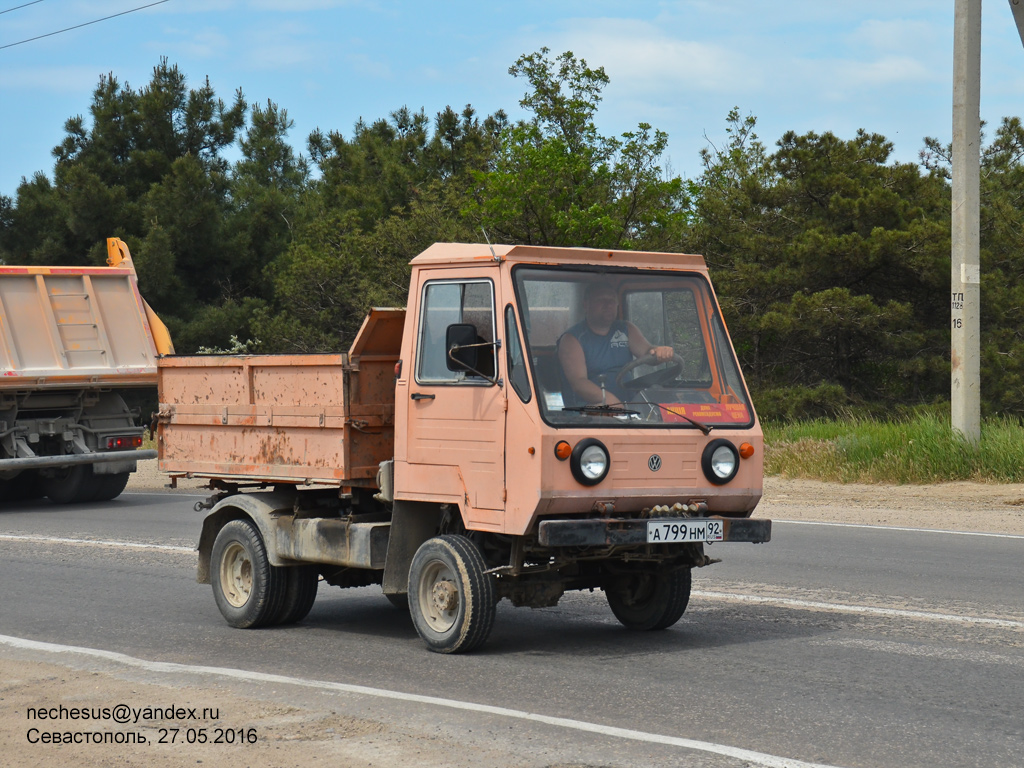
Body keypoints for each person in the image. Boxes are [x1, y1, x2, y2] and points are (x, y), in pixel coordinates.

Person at [557, 281, 673, 406]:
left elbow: (647, 352)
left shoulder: (626, 329)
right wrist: (610, 401)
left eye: (612, 300)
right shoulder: (572, 339)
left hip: (628, 407)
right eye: (601, 300)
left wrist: (659, 351)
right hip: (588, 413)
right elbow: (579, 382)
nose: (608, 305)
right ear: (586, 304)